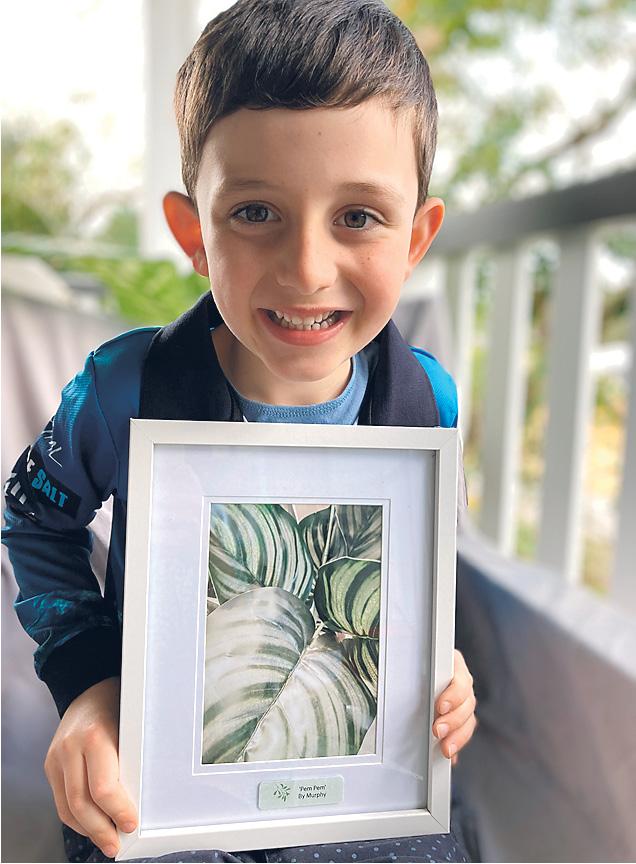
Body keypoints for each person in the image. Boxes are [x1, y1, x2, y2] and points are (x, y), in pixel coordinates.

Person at [2, 1, 478, 861]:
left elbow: (418, 566)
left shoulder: (427, 402)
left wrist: (439, 664)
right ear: (194, 234)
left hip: (358, 781)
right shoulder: (124, 388)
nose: (307, 269)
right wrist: (89, 683)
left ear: (416, 239)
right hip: (160, 778)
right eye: (256, 212)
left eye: (358, 217)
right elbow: (34, 518)